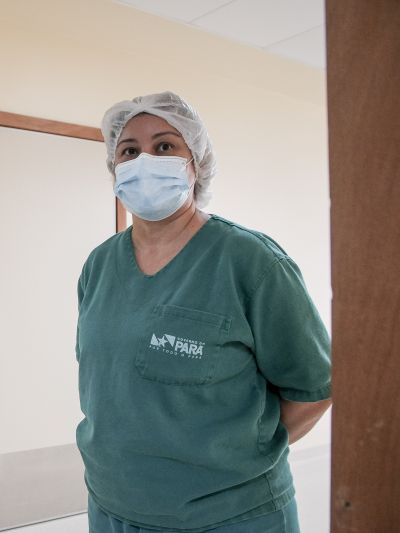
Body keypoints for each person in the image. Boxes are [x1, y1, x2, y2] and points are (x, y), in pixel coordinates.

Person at [76, 91, 331, 532]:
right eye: (129, 151)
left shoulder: (250, 261)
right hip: (112, 505)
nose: (144, 161)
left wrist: (233, 460)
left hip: (229, 516)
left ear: (195, 164)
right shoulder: (99, 265)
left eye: (165, 146)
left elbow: (315, 387)